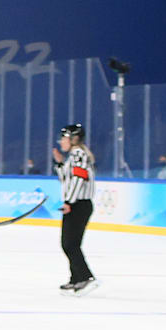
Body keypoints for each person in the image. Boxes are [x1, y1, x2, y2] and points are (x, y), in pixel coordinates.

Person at [57, 122, 98, 293]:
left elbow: (78, 179)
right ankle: (75, 278)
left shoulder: (78, 155)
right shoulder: (73, 156)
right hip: (76, 204)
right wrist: (59, 164)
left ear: (73, 139)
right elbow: (66, 180)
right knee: (69, 243)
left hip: (78, 204)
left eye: (64, 138)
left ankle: (85, 276)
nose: (61, 142)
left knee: (70, 244)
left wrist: (69, 202)